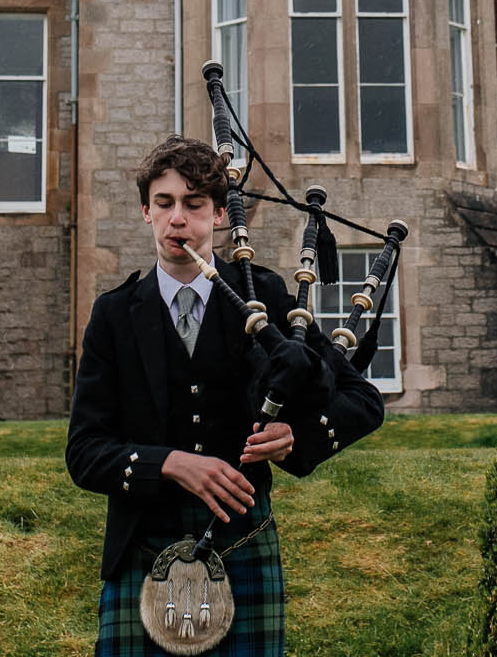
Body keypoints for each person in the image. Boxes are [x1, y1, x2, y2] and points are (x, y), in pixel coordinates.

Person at [66, 135, 386, 656]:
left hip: (241, 542)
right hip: (142, 545)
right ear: (146, 212)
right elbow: (83, 452)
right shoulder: (114, 315)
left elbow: (361, 400)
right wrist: (169, 463)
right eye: (165, 204)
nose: (178, 220)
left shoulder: (265, 298)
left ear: (218, 215)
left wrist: (293, 438)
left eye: (194, 205)